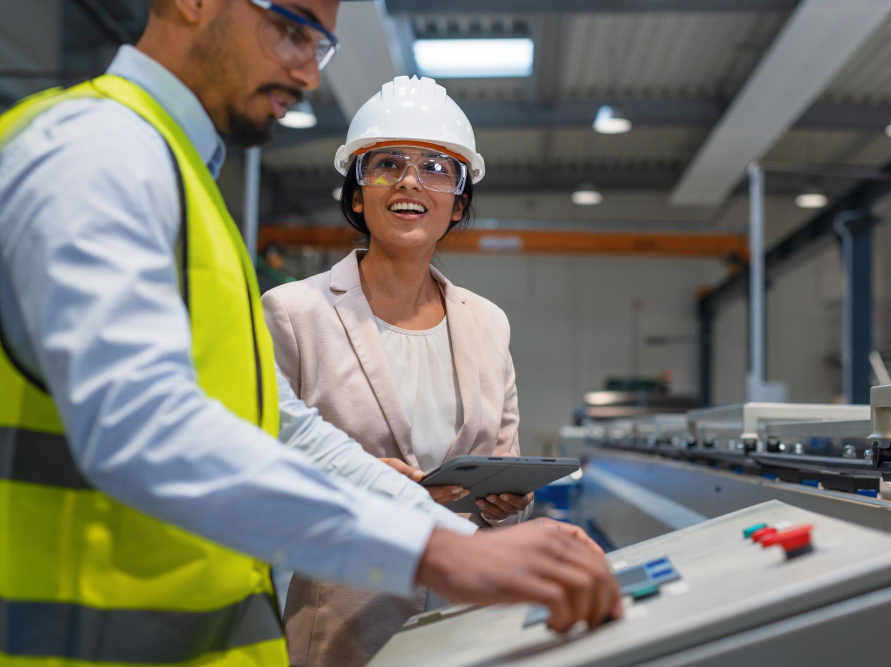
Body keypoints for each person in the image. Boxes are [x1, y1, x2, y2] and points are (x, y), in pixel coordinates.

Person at [0, 1, 621, 664]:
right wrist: (439, 550)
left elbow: (281, 426)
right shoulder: (99, 153)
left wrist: (464, 540)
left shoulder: (182, 180)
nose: (307, 73)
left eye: (318, 43)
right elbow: (143, 421)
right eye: (292, 27)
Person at [262, 75, 536, 664]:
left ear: (458, 202)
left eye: (437, 167)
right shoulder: (295, 313)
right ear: (357, 194)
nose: (410, 181)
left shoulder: (488, 323)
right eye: (386, 164)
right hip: (345, 628)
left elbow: (505, 462)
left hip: (472, 619)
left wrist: (507, 499)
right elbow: (256, 469)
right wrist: (356, 484)